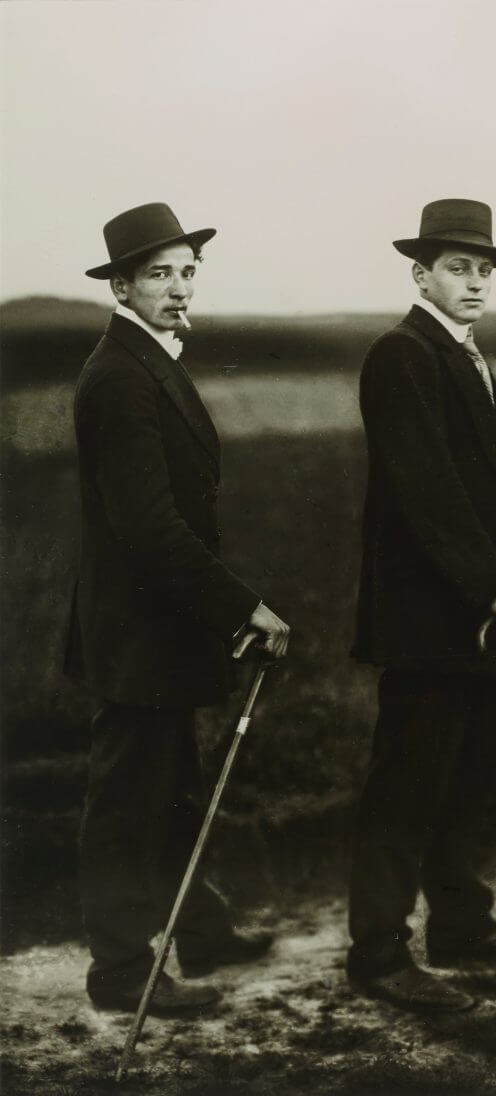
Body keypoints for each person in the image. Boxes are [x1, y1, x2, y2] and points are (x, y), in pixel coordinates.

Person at [347, 199, 496, 1012]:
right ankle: (378, 953)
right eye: (458, 267)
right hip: (428, 615)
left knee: (471, 774)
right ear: (421, 274)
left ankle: (460, 924)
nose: (476, 281)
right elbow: (427, 490)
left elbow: (475, 473)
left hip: (471, 616)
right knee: (407, 783)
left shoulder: (468, 355)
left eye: (485, 270)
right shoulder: (401, 354)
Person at [64, 202, 290, 1015]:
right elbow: (149, 524)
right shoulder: (121, 374)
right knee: (129, 800)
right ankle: (120, 974)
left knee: (176, 784)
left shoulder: (149, 357)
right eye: (159, 274)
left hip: (159, 624)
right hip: (136, 630)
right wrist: (243, 607)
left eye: (187, 271)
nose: (179, 287)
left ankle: (200, 929)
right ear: (122, 285)